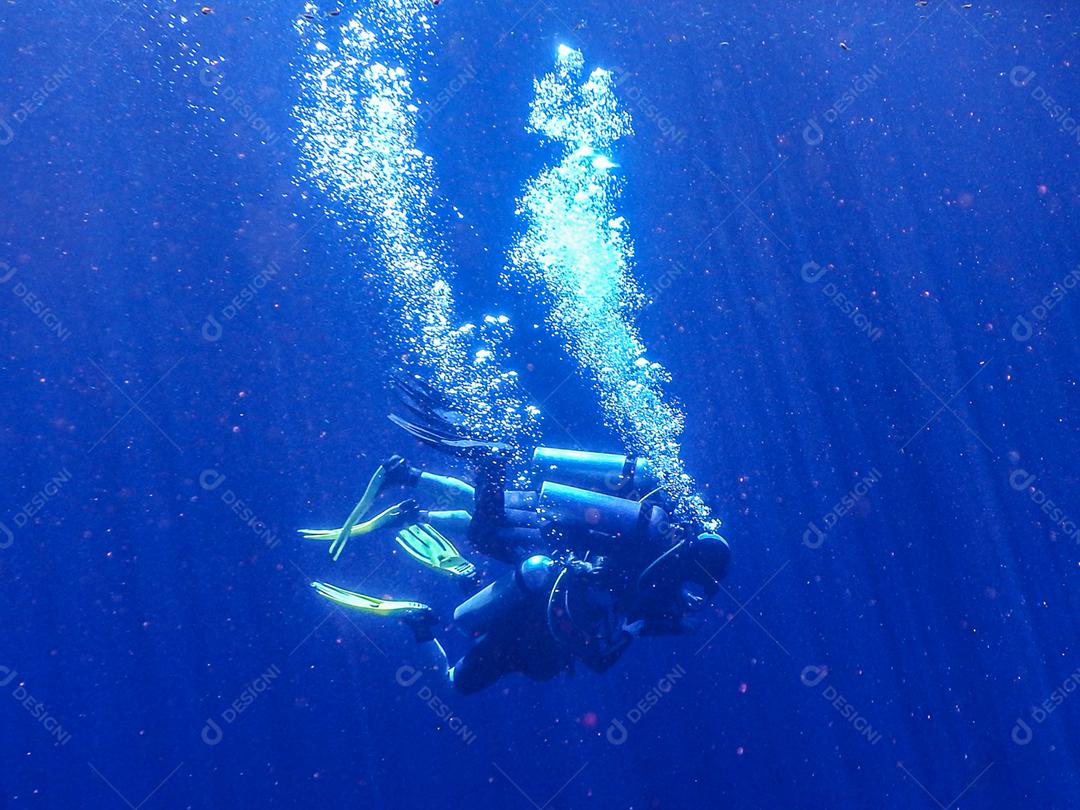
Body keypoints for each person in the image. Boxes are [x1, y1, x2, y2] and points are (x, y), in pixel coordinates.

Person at [299, 377, 731, 693]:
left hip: (567, 537)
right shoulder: (651, 594)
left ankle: (422, 492)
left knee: (494, 518)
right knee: (458, 674)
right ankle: (420, 615)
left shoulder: (659, 547)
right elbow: (603, 654)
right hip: (551, 571)